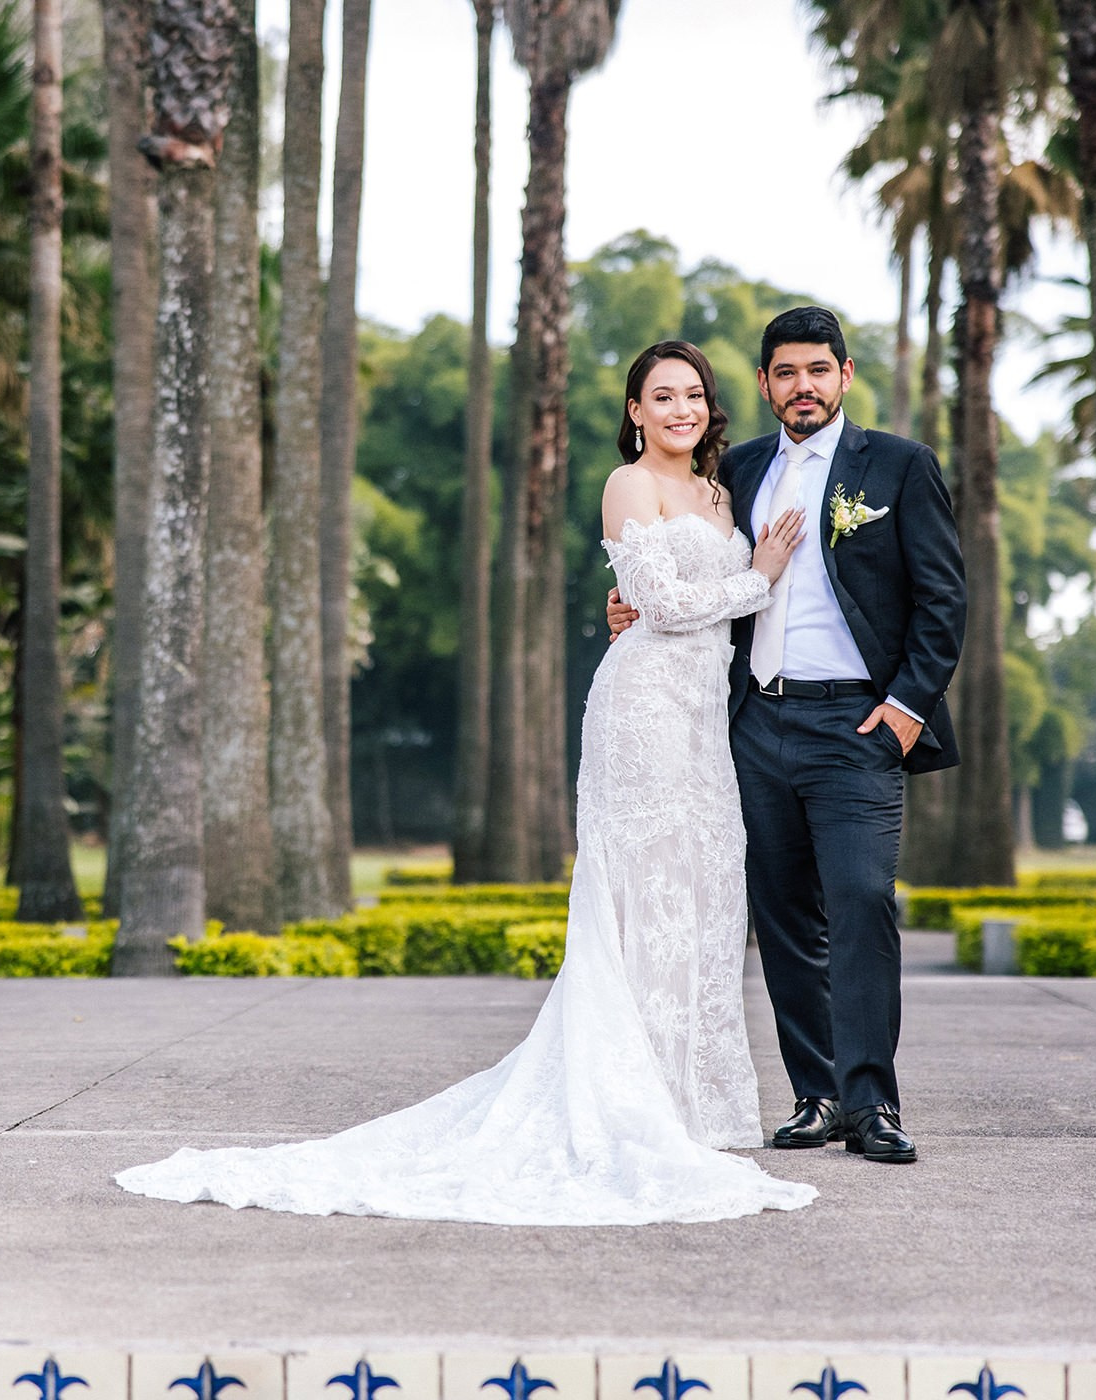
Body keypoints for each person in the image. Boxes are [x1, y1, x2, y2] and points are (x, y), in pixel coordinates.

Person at [115, 340, 817, 1225]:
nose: (680, 409)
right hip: (639, 713)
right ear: (634, 410)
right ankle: (628, 1103)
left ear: (710, 408)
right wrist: (761, 576)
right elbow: (666, 606)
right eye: (660, 396)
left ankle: (697, 1108)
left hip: (704, 724)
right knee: (638, 901)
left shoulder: (722, 493)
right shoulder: (628, 485)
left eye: (693, 395)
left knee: (704, 900)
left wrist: (751, 579)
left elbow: (700, 604)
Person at [607, 306, 965, 1164]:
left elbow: (944, 598)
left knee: (861, 900)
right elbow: (674, 566)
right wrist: (623, 607)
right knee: (781, 916)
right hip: (750, 720)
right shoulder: (738, 470)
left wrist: (908, 708)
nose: (802, 386)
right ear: (765, 384)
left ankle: (872, 1101)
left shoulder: (900, 468)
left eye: (818, 370)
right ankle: (818, 1095)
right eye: (785, 372)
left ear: (844, 376)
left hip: (856, 722)